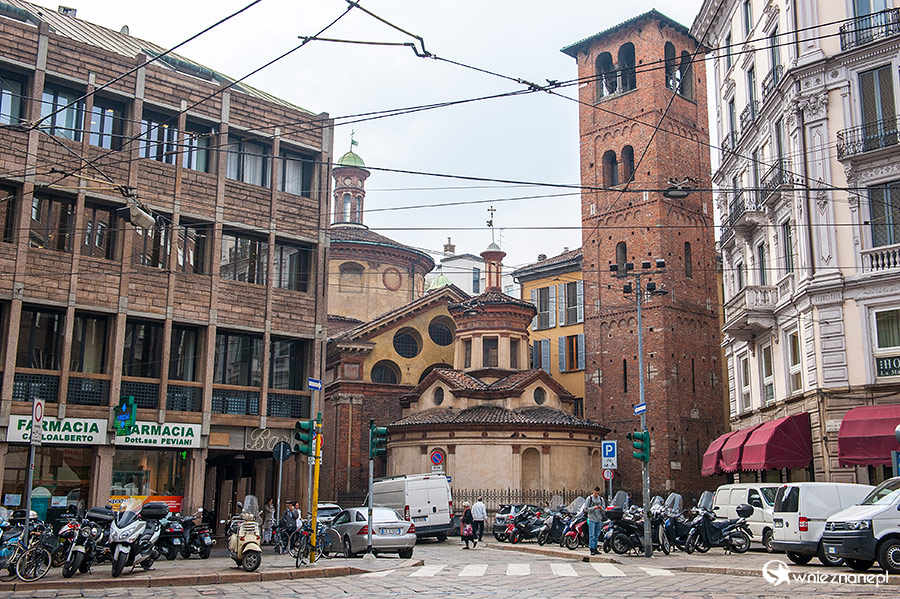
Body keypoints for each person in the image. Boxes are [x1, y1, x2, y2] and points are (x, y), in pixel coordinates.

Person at [585, 486, 605, 555]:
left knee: (597, 535)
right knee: (592, 535)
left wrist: (601, 508)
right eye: (595, 493)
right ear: (593, 491)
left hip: (598, 519)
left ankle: (595, 547)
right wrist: (594, 508)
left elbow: (604, 510)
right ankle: (592, 548)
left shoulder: (601, 499)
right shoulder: (589, 498)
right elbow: (586, 509)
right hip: (591, 519)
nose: (596, 495)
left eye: (598, 493)